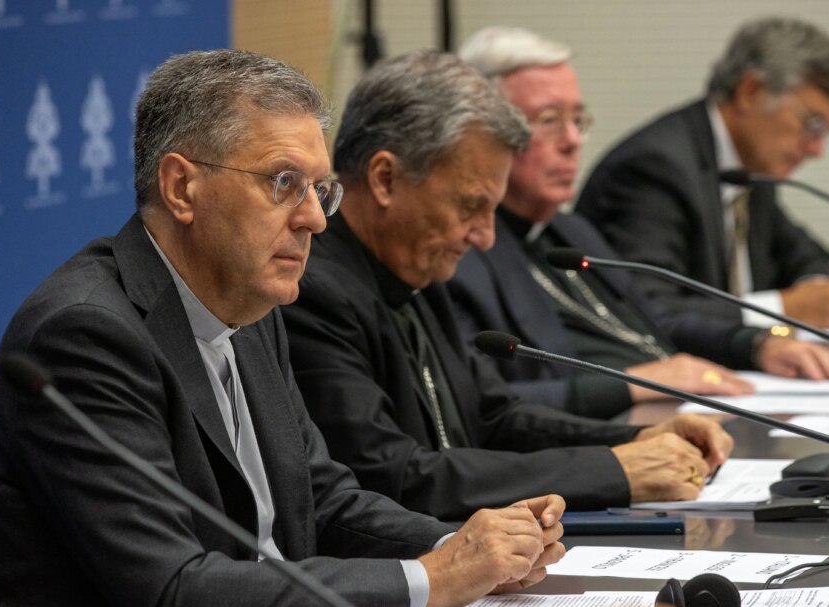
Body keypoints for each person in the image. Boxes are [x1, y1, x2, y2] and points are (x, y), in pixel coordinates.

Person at [0, 50, 567, 607]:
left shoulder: (250, 303)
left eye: (319, 190)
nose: (311, 218)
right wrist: (429, 579)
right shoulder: (84, 335)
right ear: (181, 186)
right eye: (283, 183)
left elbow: (322, 500)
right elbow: (173, 594)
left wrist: (465, 547)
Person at [281, 50, 733, 523]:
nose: (485, 236)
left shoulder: (415, 265)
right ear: (386, 179)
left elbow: (497, 416)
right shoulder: (314, 291)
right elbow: (392, 477)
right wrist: (611, 470)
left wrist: (637, 440)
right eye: (470, 206)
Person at [450, 26, 829, 420]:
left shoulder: (570, 232)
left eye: (578, 119)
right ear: (482, 135)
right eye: (548, 120)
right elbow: (480, 403)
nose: (573, 140)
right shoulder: (457, 256)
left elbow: (654, 320)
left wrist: (757, 345)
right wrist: (631, 383)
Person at [576, 17, 829, 329]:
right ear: (751, 92)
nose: (816, 150)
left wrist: (821, 291)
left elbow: (807, 256)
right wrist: (784, 308)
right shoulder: (654, 168)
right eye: (813, 125)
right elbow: (647, 308)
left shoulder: (749, 167)